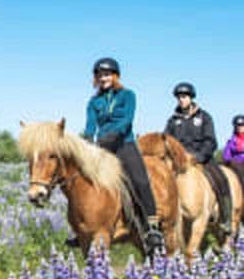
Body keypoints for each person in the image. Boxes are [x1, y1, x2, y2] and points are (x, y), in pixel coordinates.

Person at [83, 58, 164, 257]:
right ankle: (84, 228)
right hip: (102, 148)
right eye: (100, 75)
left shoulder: (128, 95)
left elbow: (126, 121)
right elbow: (90, 125)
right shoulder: (94, 102)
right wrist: (87, 140)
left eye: (108, 74)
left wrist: (110, 137)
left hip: (124, 145)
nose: (104, 78)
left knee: (140, 180)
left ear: (115, 76)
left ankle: (152, 226)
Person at [165, 83, 232, 237]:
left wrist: (198, 156)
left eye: (184, 97)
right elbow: (167, 140)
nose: (181, 100)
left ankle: (226, 219)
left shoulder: (204, 117)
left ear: (191, 98)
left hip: (201, 158)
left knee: (221, 179)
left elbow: (211, 141)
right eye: (179, 97)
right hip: (179, 161)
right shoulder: (173, 121)